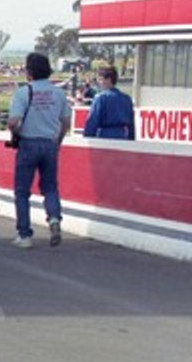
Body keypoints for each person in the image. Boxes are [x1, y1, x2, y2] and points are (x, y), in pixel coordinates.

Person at [8, 52, 71, 250]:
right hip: (50, 143)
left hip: (28, 143)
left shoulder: (23, 93)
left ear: (29, 72)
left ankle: (24, 234)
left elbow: (12, 121)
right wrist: (58, 140)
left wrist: (17, 132)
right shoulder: (58, 93)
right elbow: (66, 122)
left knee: (22, 191)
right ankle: (53, 218)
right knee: (50, 186)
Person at [82, 66, 135, 140]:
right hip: (122, 136)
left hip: (104, 136)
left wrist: (86, 138)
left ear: (108, 79)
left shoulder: (100, 98)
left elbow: (92, 121)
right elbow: (131, 125)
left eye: (101, 79)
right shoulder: (127, 99)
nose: (99, 82)